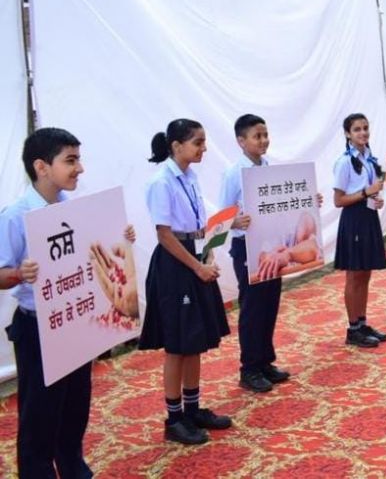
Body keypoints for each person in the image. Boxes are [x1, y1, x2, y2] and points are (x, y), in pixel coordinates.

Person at [0, 128, 135, 478]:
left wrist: (120, 237)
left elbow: (94, 256)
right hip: (37, 327)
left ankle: (72, 464)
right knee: (39, 413)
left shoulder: (73, 208)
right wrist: (19, 273)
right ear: (41, 166)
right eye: (70, 161)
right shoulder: (16, 216)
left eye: (79, 159)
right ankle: (38, 471)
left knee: (76, 405)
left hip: (74, 321)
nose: (80, 169)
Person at [139, 119, 232, 445]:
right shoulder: (161, 182)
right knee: (177, 345)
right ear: (176, 146)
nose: (204, 148)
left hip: (194, 259)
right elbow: (164, 235)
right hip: (175, 266)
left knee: (195, 340)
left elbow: (196, 225)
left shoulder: (190, 177)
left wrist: (208, 257)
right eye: (198, 142)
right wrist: (197, 267)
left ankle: (192, 409)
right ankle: (174, 418)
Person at [219, 114, 291, 393]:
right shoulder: (233, 172)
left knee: (270, 302)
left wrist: (307, 200)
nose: (263, 140)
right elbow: (223, 215)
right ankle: (248, 368)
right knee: (252, 306)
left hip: (271, 245)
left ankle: (264, 361)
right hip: (247, 247)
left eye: (265, 135)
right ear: (241, 141)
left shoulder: (269, 167)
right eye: (256, 136)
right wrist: (234, 221)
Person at [332, 113, 386, 348]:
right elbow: (338, 200)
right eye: (357, 129)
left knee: (366, 273)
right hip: (353, 219)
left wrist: (376, 199)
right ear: (347, 133)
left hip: (368, 216)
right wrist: (365, 193)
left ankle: (363, 322)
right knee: (354, 275)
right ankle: (353, 327)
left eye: (365, 128)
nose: (363, 133)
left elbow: (369, 191)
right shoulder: (344, 162)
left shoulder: (369, 159)